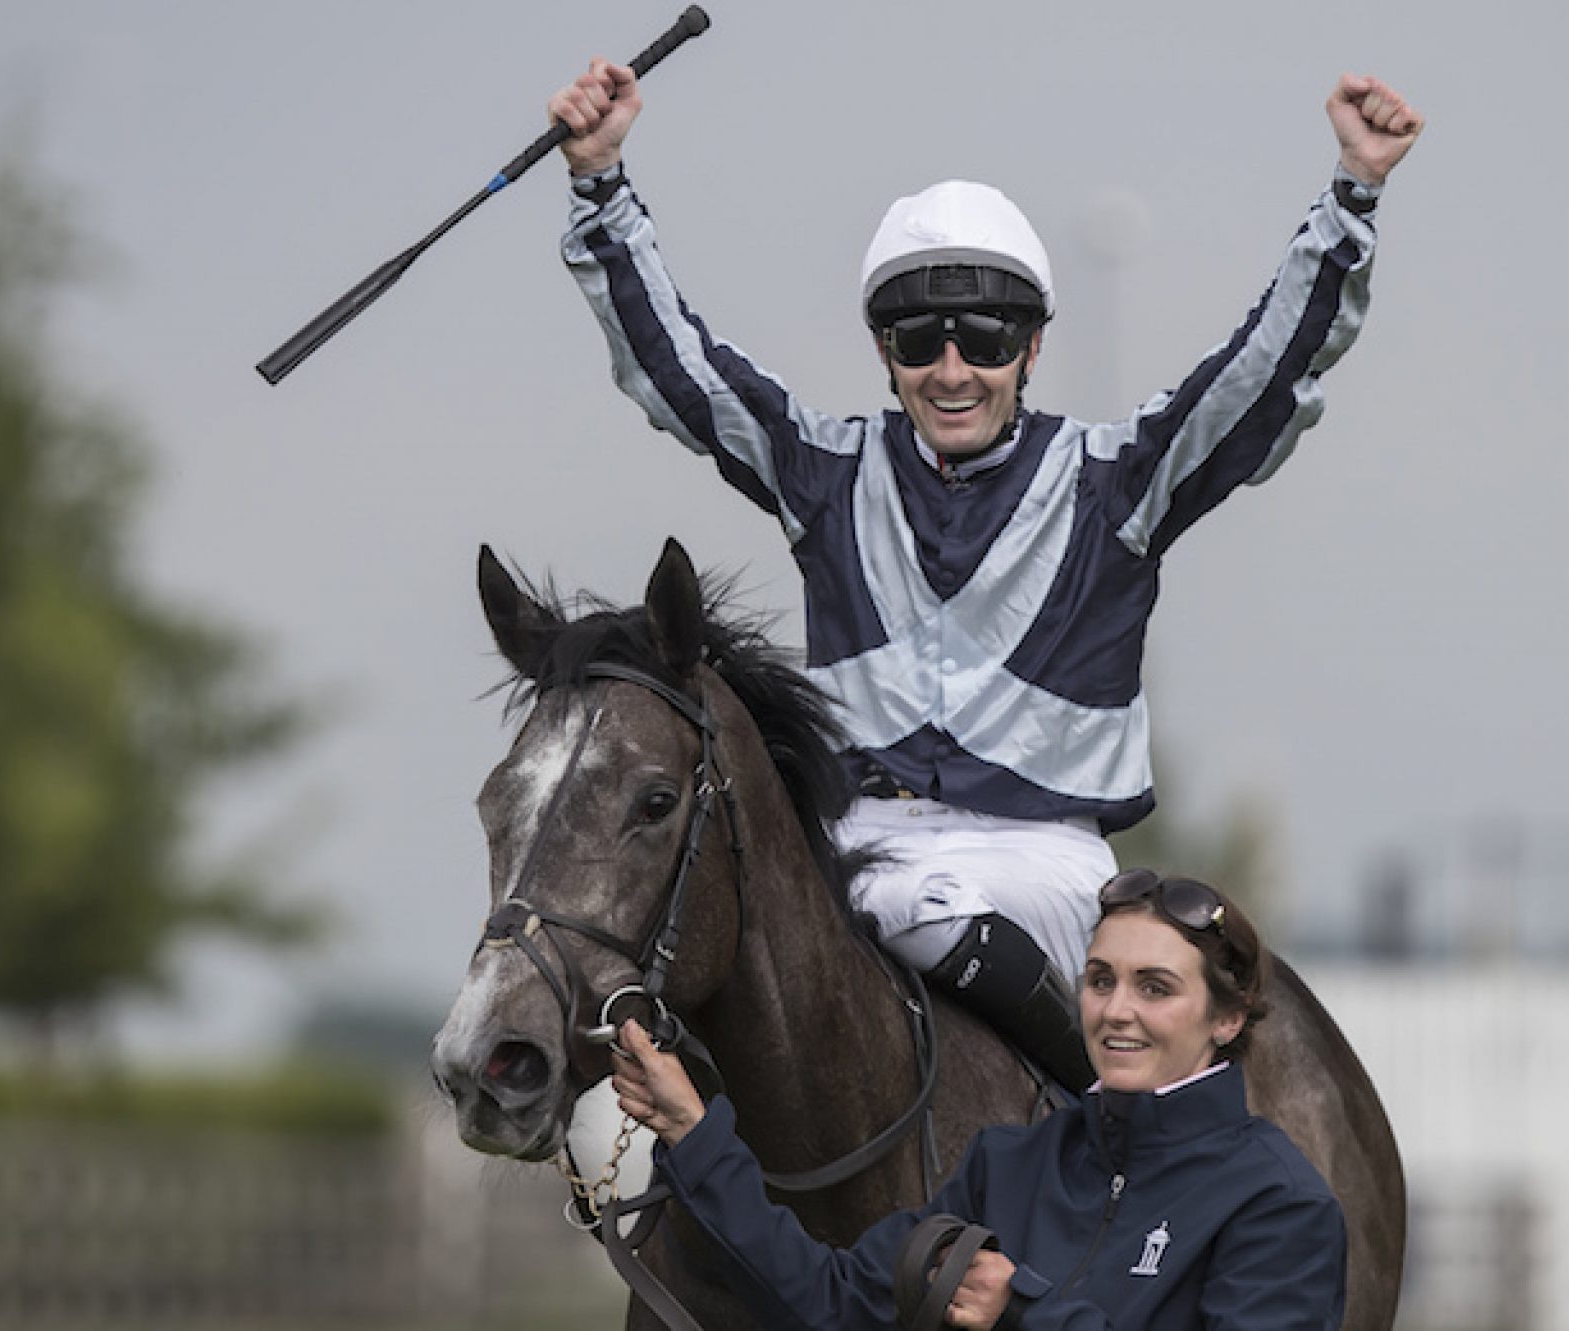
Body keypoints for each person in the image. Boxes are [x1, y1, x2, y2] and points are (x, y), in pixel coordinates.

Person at [548, 65, 1423, 1092]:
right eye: (920, 339)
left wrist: (1351, 195)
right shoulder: (823, 471)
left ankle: (1102, 1129)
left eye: (987, 337)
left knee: (882, 909)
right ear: (885, 350)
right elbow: (676, 369)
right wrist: (601, 184)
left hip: (1040, 861)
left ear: (1032, 345)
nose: (953, 366)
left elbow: (1262, 373)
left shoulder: (1118, 480)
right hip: (858, 834)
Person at [611, 870, 1344, 1330]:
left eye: (1155, 987)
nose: (1117, 1009)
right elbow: (829, 1304)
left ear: (1226, 1018)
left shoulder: (1280, 1202)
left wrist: (1022, 1311)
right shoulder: (1011, 1161)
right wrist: (695, 1133)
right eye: (1099, 980)